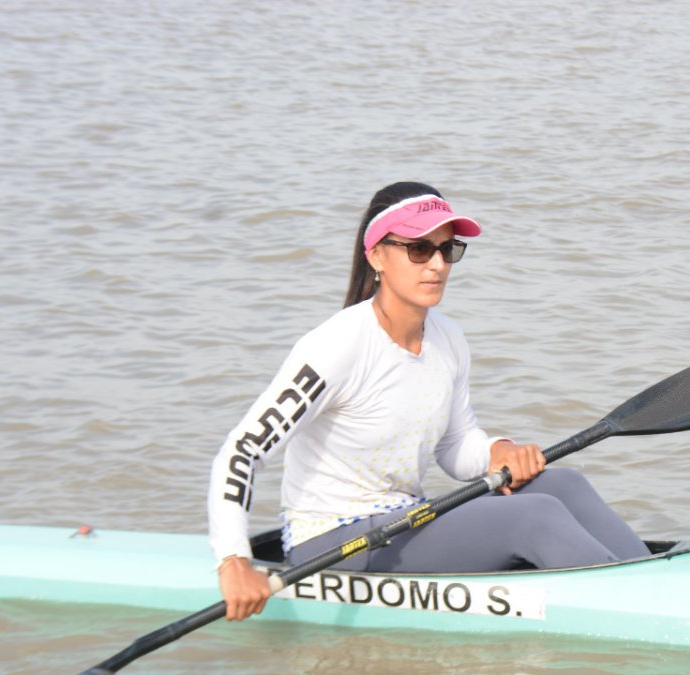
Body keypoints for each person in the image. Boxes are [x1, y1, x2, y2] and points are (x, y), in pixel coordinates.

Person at [208, 181, 649, 621]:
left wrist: (497, 451)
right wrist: (233, 562)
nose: (437, 264)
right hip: (332, 541)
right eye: (419, 249)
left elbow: (455, 448)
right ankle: (638, 613)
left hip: (403, 519)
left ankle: (651, 585)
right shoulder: (336, 347)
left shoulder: (448, 338)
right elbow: (241, 452)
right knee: (534, 517)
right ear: (377, 255)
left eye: (448, 250)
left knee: (562, 484)